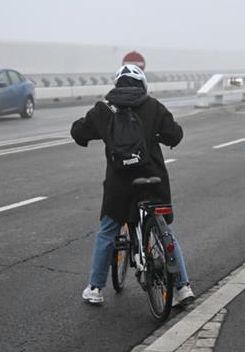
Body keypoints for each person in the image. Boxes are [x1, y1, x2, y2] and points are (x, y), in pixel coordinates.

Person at [71, 64, 195, 307]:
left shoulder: (103, 109)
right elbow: (175, 135)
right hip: (153, 179)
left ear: (117, 83)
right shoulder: (153, 106)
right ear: (142, 84)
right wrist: (156, 135)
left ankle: (95, 288)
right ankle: (183, 288)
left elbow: (79, 133)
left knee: (108, 230)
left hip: (120, 184)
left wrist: (91, 129)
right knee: (167, 234)